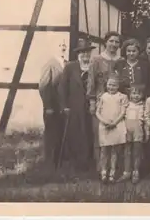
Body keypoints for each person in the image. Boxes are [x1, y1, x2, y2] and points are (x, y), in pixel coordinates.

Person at [57, 37, 96, 172]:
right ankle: (75, 162)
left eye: (87, 52)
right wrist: (64, 106)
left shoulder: (93, 66)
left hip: (91, 105)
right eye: (82, 52)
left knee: (89, 133)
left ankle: (88, 161)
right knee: (75, 133)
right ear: (78, 54)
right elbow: (62, 88)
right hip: (74, 106)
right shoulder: (70, 67)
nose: (85, 55)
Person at [87, 31, 122, 171]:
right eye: (111, 41)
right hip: (101, 102)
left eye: (117, 42)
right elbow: (91, 81)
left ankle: (115, 167)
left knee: (117, 134)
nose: (114, 44)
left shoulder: (121, 60)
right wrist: (92, 101)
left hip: (117, 102)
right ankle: (101, 167)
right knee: (100, 135)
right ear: (105, 42)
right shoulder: (96, 60)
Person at [38, 40, 67, 170]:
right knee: (51, 134)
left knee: (61, 133)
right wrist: (48, 106)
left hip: (62, 106)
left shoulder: (66, 64)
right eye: (60, 45)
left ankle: (60, 162)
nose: (63, 48)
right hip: (52, 107)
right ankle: (49, 162)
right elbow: (44, 86)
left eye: (64, 45)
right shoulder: (50, 64)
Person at [96, 73, 128, 183]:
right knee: (104, 150)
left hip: (117, 125)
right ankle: (103, 172)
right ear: (106, 85)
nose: (111, 87)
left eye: (114, 85)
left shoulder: (122, 97)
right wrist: (104, 122)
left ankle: (112, 173)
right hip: (104, 126)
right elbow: (97, 112)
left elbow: (123, 112)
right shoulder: (103, 96)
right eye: (109, 84)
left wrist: (115, 122)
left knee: (115, 150)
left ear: (118, 86)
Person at [119, 84, 146, 184]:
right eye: (134, 93)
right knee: (127, 151)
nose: (136, 96)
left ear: (142, 95)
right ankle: (127, 172)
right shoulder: (127, 105)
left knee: (137, 152)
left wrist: (146, 131)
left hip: (138, 130)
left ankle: (136, 171)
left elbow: (146, 120)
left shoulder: (143, 105)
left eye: (139, 94)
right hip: (127, 130)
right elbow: (122, 117)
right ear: (130, 94)